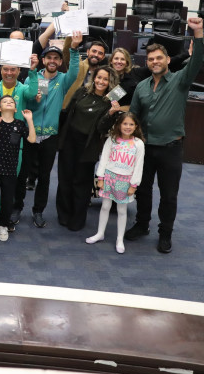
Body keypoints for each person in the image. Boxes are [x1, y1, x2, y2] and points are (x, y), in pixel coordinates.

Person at [126, 16, 204, 254]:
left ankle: (165, 233)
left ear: (168, 60)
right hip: (145, 148)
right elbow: (133, 118)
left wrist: (198, 33)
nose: (155, 62)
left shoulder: (180, 80)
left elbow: (198, 60)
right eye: (150, 59)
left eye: (159, 58)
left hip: (171, 148)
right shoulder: (141, 87)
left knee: (169, 195)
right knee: (143, 190)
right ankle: (141, 225)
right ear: (147, 63)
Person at [11, 31, 83, 228]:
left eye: (56, 58)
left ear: (60, 62)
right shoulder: (33, 78)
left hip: (50, 135)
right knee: (22, 173)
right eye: (49, 57)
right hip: (30, 133)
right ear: (43, 60)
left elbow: (75, 72)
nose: (52, 61)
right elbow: (27, 99)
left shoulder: (63, 81)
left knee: (44, 176)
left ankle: (38, 210)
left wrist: (74, 50)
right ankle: (17, 207)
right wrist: (34, 93)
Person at [57, 66, 122, 232]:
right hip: (69, 141)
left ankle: (77, 218)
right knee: (65, 178)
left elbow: (101, 128)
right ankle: (63, 214)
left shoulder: (110, 102)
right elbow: (67, 112)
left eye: (105, 79)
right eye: (99, 77)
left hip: (88, 146)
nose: (101, 81)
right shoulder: (82, 92)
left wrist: (110, 114)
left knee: (82, 182)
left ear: (110, 82)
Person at [87, 112, 146, 254]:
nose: (127, 127)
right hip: (109, 177)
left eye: (131, 124)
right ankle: (100, 233)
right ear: (119, 125)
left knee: (121, 210)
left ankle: (120, 239)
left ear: (136, 126)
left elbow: (139, 165)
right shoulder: (112, 140)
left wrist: (134, 185)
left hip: (125, 181)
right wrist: (100, 178)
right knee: (105, 206)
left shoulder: (138, 144)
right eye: (125, 123)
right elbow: (104, 159)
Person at [0, 97, 36, 242]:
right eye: (5, 102)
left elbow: (31, 139)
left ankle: (3, 224)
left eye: (11, 102)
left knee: (7, 200)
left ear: (16, 109)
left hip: (10, 170)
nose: (9, 103)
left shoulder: (19, 124)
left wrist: (29, 120)